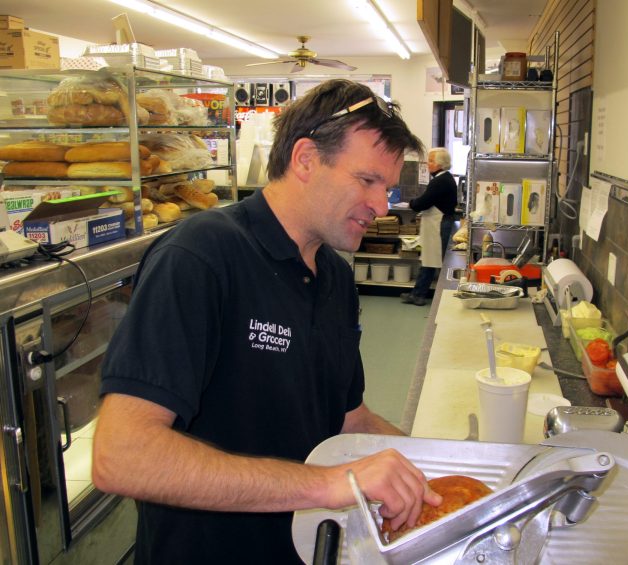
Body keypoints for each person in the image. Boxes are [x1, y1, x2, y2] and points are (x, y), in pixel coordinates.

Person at [92, 79, 442, 564]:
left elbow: (347, 417)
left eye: (388, 187)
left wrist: (445, 469)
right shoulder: (201, 256)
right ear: (304, 159)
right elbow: (121, 456)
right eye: (367, 181)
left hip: (306, 545)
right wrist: (328, 483)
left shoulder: (336, 278)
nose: (382, 206)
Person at [400, 147, 458, 306]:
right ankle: (418, 293)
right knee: (430, 261)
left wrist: (411, 203)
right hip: (438, 223)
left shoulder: (440, 181)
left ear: (440, 164)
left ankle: (421, 295)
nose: (428, 163)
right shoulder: (444, 178)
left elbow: (423, 203)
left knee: (432, 261)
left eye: (431, 160)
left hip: (438, 225)